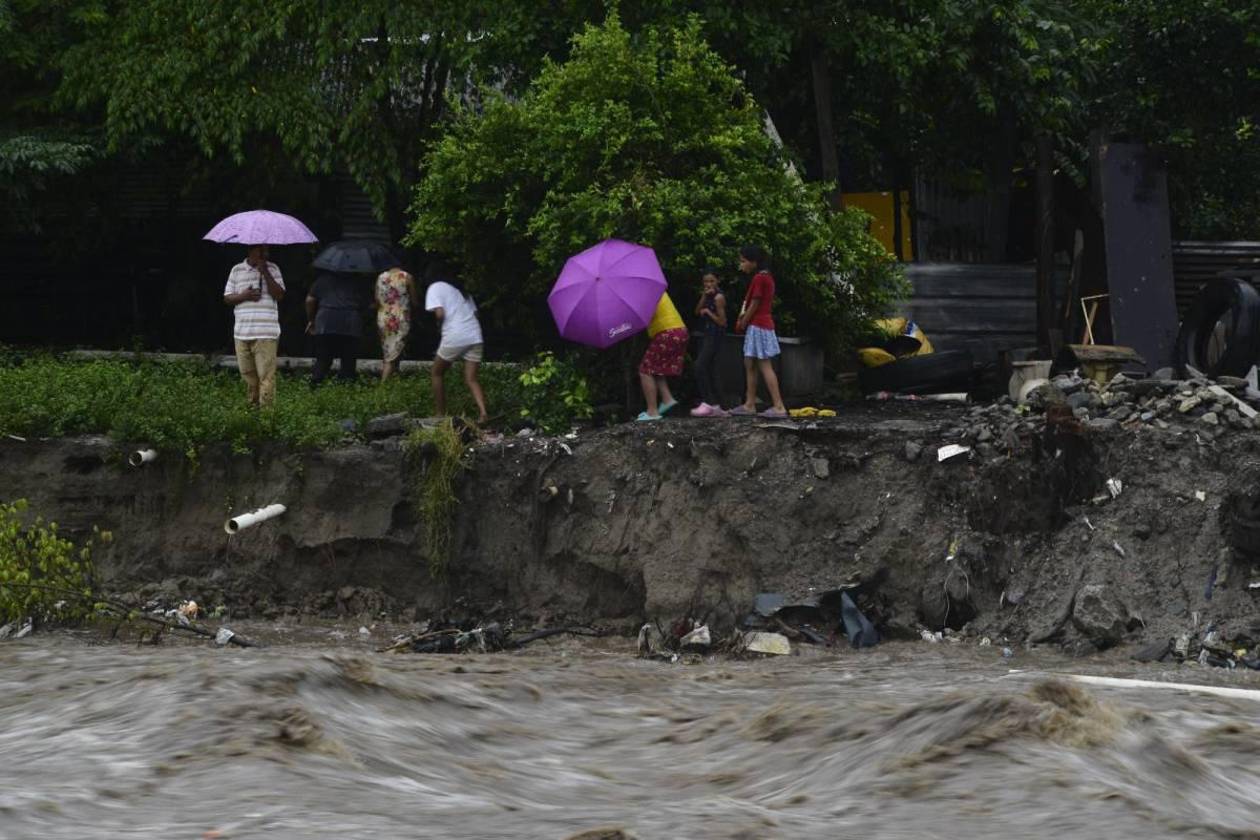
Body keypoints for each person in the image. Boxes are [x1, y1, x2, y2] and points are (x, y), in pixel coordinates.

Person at [424, 262, 489, 423]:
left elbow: (439, 313)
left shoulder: (435, 287)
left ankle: (440, 413)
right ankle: (483, 413)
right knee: (471, 378)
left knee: (436, 373)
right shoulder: (461, 291)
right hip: (475, 335)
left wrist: (439, 326)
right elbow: (475, 314)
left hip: (456, 335)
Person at [223, 244, 285, 407]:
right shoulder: (237, 270)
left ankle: (266, 417)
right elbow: (227, 298)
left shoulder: (273, 268)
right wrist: (245, 296)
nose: (266, 253)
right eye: (261, 250)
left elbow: (279, 295)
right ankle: (252, 411)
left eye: (267, 250)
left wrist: (265, 272)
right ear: (251, 250)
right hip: (242, 332)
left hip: (266, 333)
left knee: (266, 377)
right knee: (247, 377)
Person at [730, 245, 787, 418]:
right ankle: (749, 403)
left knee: (764, 365)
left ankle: (778, 406)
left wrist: (743, 321)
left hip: (758, 325)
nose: (741, 265)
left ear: (754, 262)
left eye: (743, 261)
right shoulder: (766, 277)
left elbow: (755, 303)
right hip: (759, 325)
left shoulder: (760, 278)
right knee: (750, 363)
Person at [636, 291, 689, 422]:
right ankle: (667, 399)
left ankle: (652, 411)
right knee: (656, 368)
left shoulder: (643, 294)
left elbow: (641, 317)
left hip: (667, 332)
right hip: (679, 330)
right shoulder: (655, 288)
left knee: (645, 370)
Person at [305, 270, 365, 385]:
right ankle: (346, 386)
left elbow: (310, 300)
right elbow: (365, 303)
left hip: (326, 322)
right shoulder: (357, 282)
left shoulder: (322, 280)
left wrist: (311, 320)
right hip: (350, 323)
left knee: (323, 359)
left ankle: (315, 385)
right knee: (348, 360)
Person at [689, 268, 728, 417]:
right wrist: (704, 297)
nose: (708, 284)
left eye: (711, 281)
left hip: (715, 335)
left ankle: (709, 402)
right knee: (712, 369)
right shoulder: (708, 296)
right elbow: (696, 311)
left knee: (699, 366)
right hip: (707, 334)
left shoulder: (718, 298)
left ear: (717, 281)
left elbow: (722, 322)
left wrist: (708, 313)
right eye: (706, 281)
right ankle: (721, 406)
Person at [375, 265, 416, 381]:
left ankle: (394, 380)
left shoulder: (381, 277)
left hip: (383, 317)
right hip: (399, 317)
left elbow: (377, 299)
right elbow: (414, 301)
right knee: (393, 353)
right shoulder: (407, 277)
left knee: (389, 350)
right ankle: (383, 385)